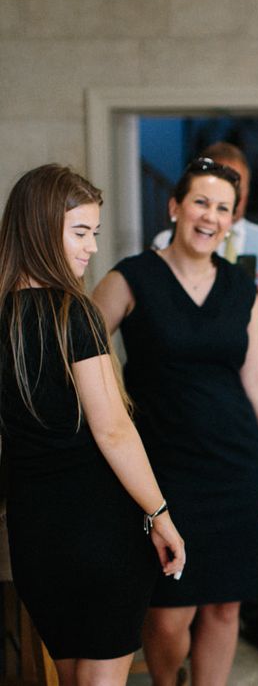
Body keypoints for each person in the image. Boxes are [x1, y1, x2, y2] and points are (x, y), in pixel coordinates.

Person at [92, 157, 258, 685]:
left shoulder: (239, 286)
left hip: (236, 465)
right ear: (175, 206)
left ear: (233, 218)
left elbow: (253, 379)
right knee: (168, 609)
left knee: (225, 606)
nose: (211, 217)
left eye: (223, 208)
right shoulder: (130, 277)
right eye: (201, 202)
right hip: (162, 468)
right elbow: (78, 351)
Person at [0, 164, 185, 686]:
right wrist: (160, 515)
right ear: (39, 229)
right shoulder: (71, 313)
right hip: (100, 534)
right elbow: (113, 432)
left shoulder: (4, 317)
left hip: (35, 538)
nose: (90, 249)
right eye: (79, 233)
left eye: (95, 234)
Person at [153, 141, 258, 650]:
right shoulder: (163, 244)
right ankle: (190, 597)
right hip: (185, 408)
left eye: (235, 188)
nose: (221, 204)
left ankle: (252, 609)